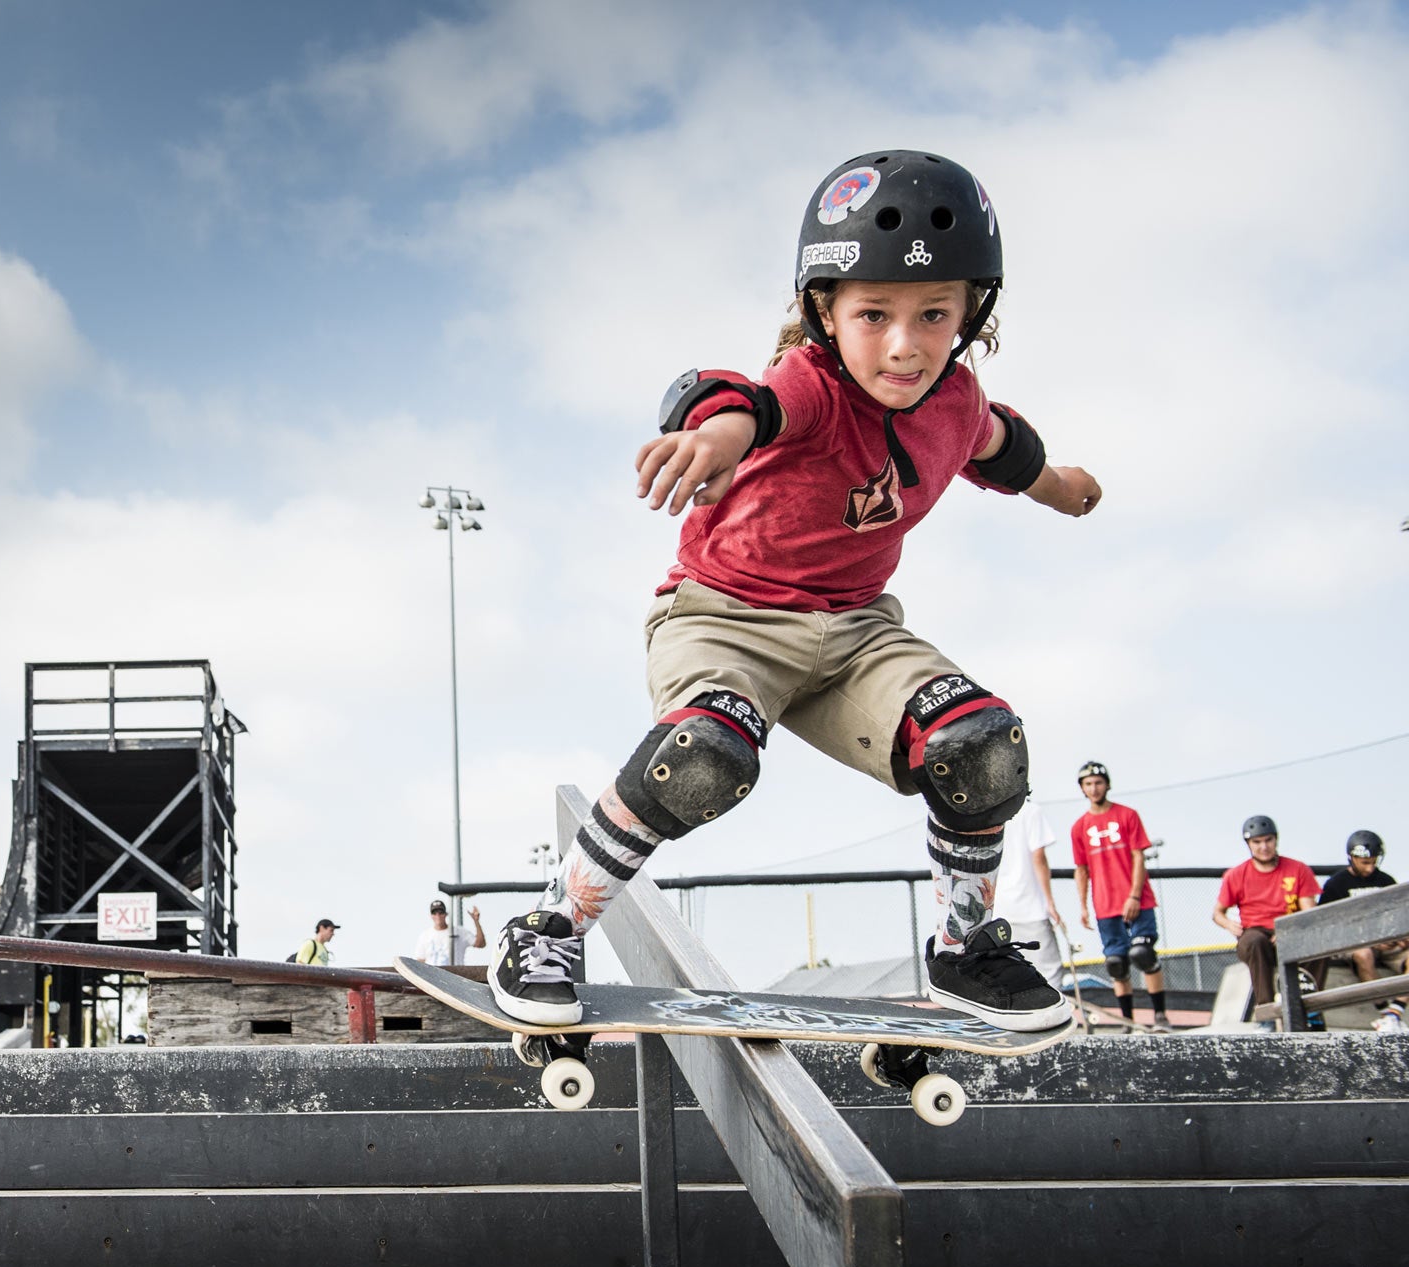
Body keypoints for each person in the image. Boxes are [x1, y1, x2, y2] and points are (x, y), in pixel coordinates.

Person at [488, 150, 1097, 1034]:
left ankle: (965, 954)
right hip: (723, 617)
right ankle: (547, 928)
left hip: (854, 636)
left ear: (971, 314)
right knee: (704, 755)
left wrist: (1064, 487)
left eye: (934, 315)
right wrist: (717, 436)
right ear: (825, 312)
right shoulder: (810, 383)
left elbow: (1006, 448)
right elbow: (744, 401)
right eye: (874, 315)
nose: (904, 345)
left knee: (982, 744)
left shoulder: (956, 402)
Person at [1069, 761, 1167, 1029]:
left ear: (1107, 784)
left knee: (1143, 954)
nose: (1094, 788)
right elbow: (1081, 869)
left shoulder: (1127, 815)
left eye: (1098, 783)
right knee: (1116, 963)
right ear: (1082, 789)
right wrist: (1084, 907)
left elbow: (1139, 857)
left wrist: (1134, 896)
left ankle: (1160, 1015)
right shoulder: (1079, 827)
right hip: (1105, 904)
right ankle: (1128, 1021)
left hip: (1138, 901)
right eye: (1088, 784)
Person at [1212, 815, 1323, 1024]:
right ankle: (1265, 1013)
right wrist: (1228, 924)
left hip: (1289, 929)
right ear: (1249, 844)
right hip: (1255, 933)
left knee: (1317, 938)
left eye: (1268, 840)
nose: (1264, 847)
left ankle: (1311, 1006)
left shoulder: (1298, 869)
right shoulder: (1236, 875)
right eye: (1257, 842)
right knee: (1255, 941)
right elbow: (1217, 912)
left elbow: (1309, 913)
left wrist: (1288, 931)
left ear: (1276, 840)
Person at [991, 797, 1068, 991]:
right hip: (1030, 907)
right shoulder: (1030, 810)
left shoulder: (988, 813)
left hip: (999, 909)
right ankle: (1050, 1017)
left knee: (1008, 969)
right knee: (1049, 970)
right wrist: (1050, 902)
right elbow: (1039, 857)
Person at [1318, 830, 1399, 987]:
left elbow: (1399, 915)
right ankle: (1382, 1005)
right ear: (1352, 858)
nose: (1370, 869)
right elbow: (1327, 926)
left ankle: (1397, 1006)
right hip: (1354, 942)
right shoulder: (1336, 884)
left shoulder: (1386, 881)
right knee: (1364, 954)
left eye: (1374, 862)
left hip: (1388, 941)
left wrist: (1401, 937)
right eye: (1365, 863)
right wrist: (1373, 941)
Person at [413, 900, 487, 966]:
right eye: (434, 913)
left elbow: (480, 943)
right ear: (431, 915)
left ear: (446, 914)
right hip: (432, 978)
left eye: (441, 912)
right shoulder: (425, 935)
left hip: (454, 977)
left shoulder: (459, 931)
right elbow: (420, 960)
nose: (437, 915)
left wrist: (476, 921)